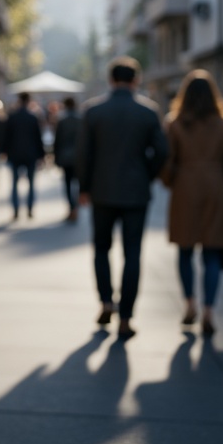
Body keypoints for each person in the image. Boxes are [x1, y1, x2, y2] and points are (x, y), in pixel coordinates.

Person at [77, 57, 168, 339]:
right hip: (136, 192)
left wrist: (84, 188)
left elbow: (83, 155)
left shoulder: (93, 111)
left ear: (111, 79)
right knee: (132, 255)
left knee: (101, 249)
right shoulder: (148, 112)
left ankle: (106, 300)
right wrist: (147, 174)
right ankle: (126, 317)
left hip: (102, 190)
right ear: (136, 80)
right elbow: (163, 152)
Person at [160, 70, 223, 337]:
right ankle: (209, 311)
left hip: (185, 188)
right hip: (216, 189)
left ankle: (189, 302)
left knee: (184, 251)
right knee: (212, 254)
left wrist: (169, 181)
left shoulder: (176, 122)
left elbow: (167, 161)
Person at [2, 92, 45, 219]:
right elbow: (38, 138)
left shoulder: (12, 117)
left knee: (15, 183)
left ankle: (16, 209)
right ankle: (30, 209)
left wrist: (4, 151)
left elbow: (6, 136)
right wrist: (41, 155)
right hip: (31, 154)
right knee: (31, 183)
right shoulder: (33, 117)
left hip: (15, 154)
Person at [53, 96, 82, 223]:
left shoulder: (62, 120)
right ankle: (74, 206)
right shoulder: (81, 119)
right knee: (77, 184)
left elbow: (57, 141)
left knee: (68, 183)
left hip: (65, 156)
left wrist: (56, 157)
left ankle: (72, 206)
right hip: (79, 157)